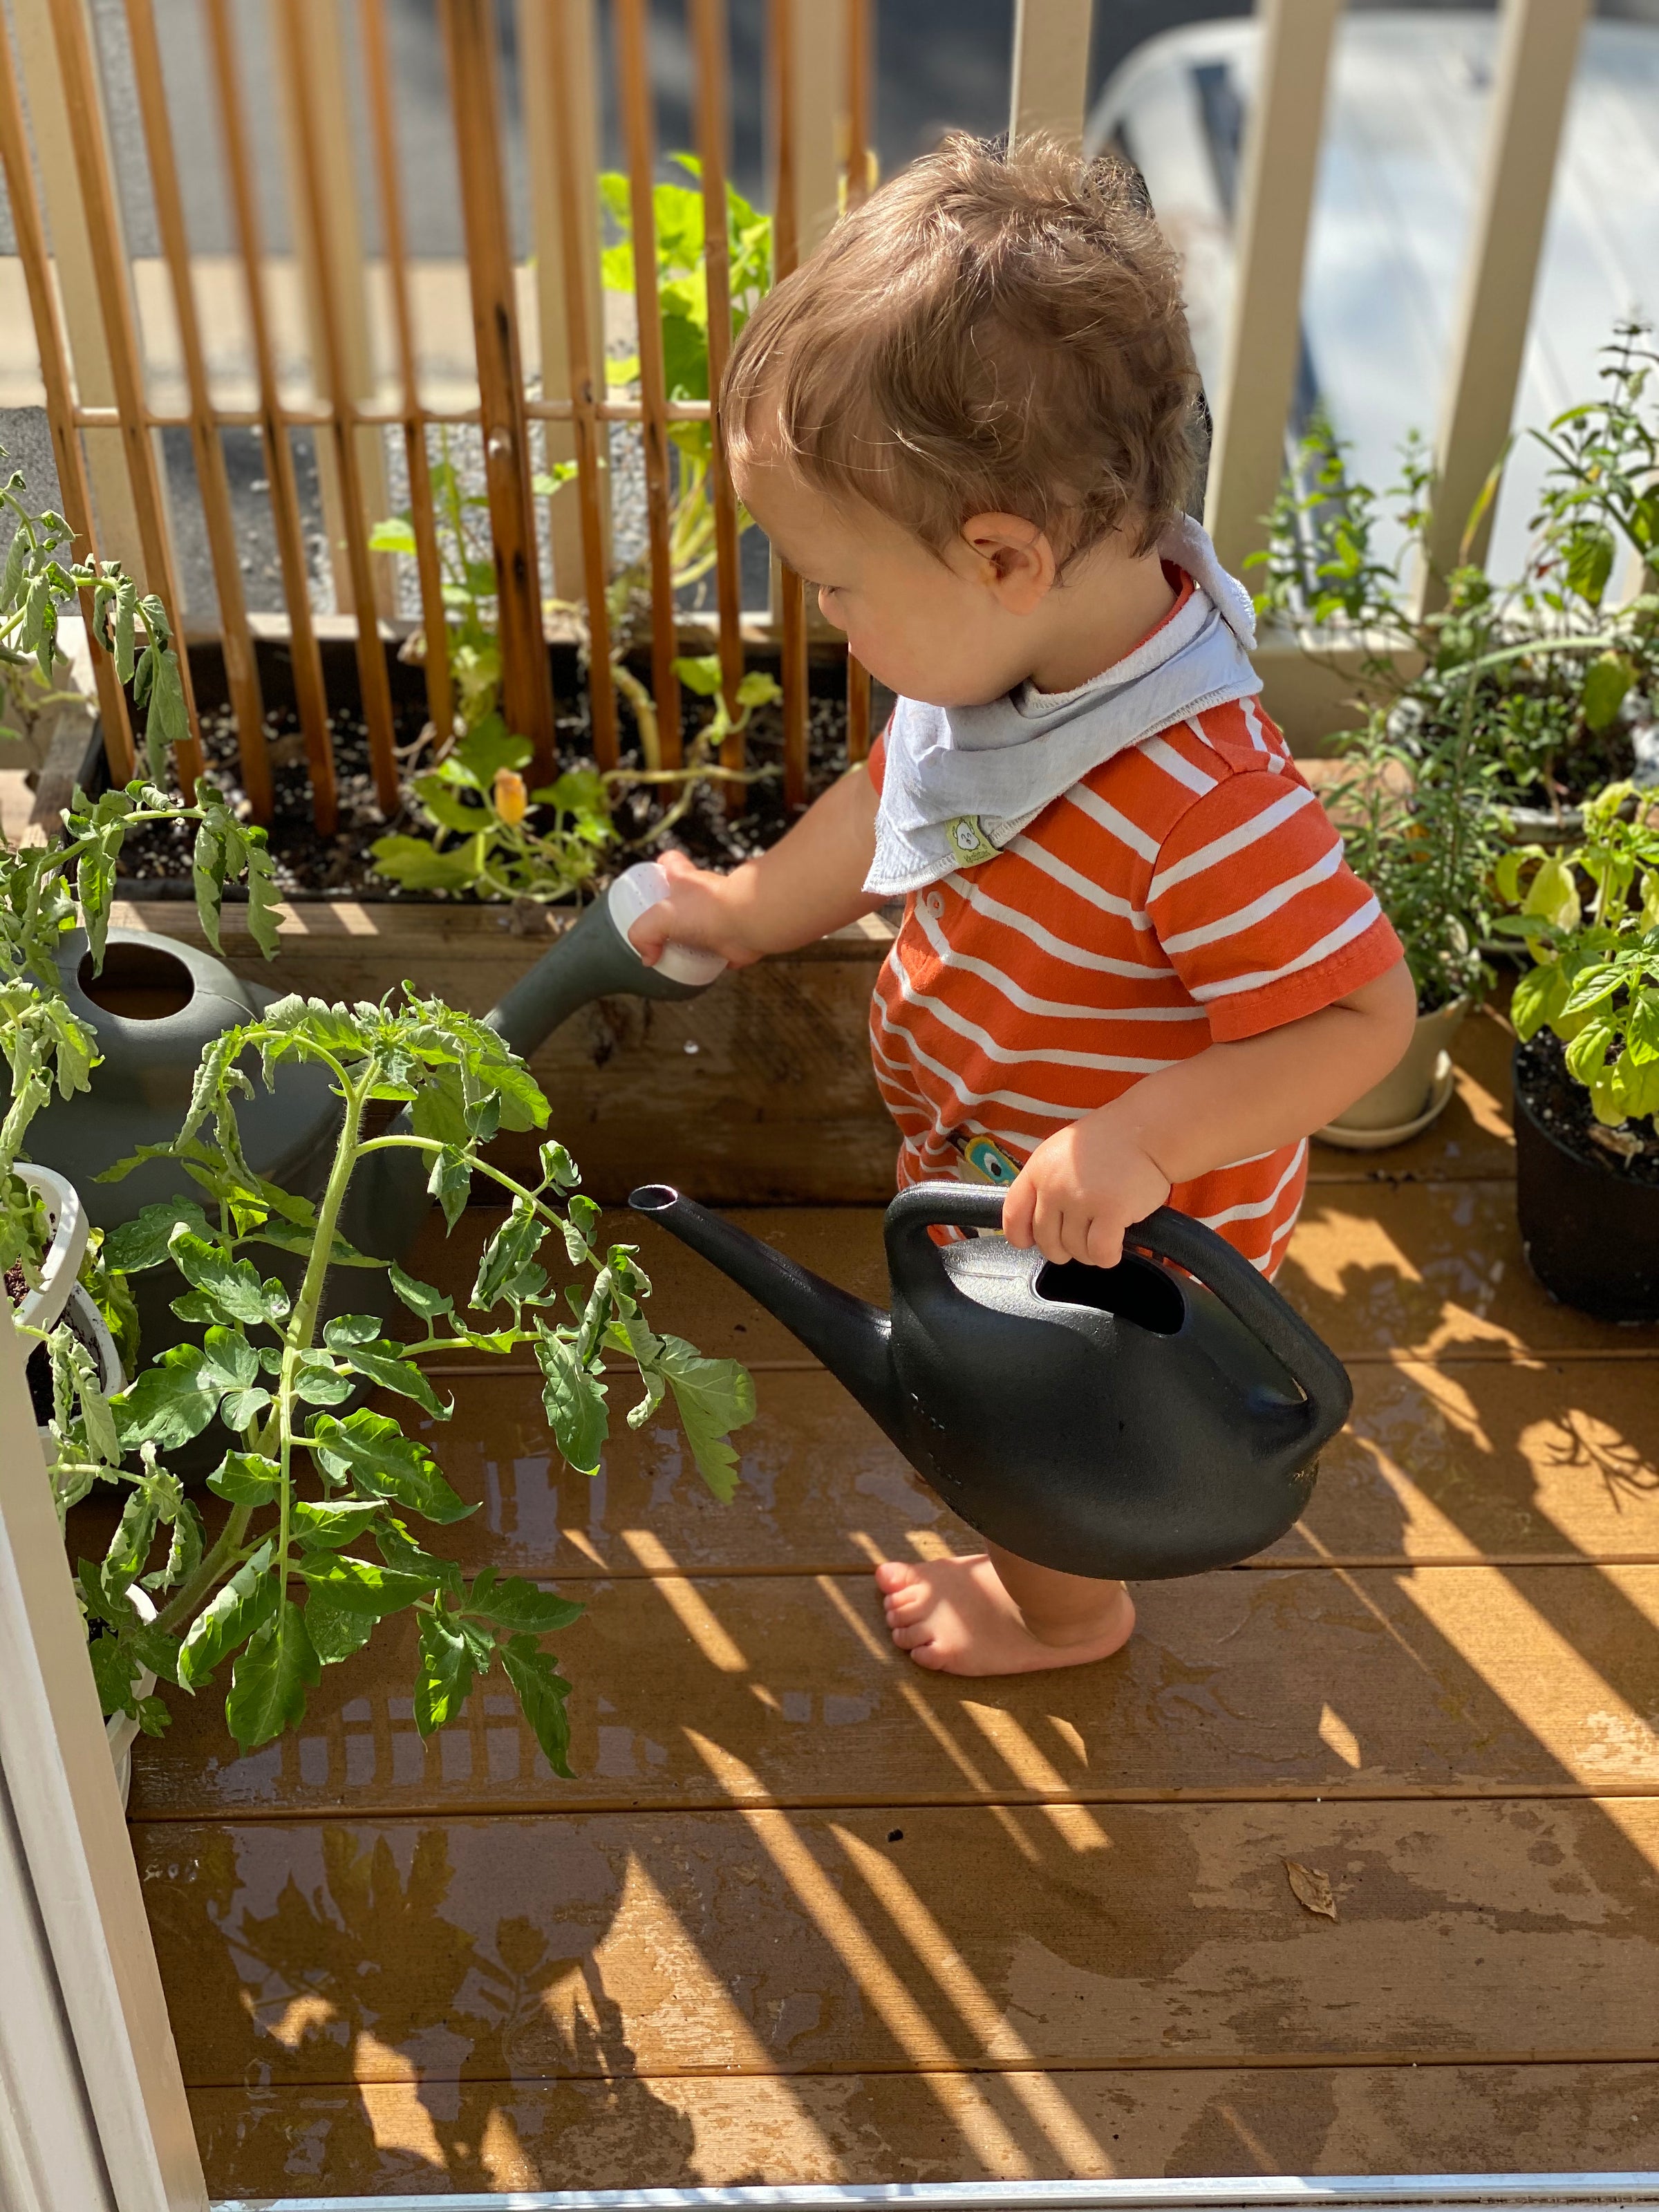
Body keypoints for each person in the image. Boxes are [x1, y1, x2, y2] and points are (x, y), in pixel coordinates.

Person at [627, 133, 1416, 1678]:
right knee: (993, 1368)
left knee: (1041, 1421)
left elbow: (1357, 1016)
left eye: (839, 586)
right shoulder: (1018, 666)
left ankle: (1064, 1607)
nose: (829, 620)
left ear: (1002, 553)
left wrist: (1141, 1142)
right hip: (1005, 1150)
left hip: (1123, 1235)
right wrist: (745, 909)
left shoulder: (1200, 799)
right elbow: (900, 801)